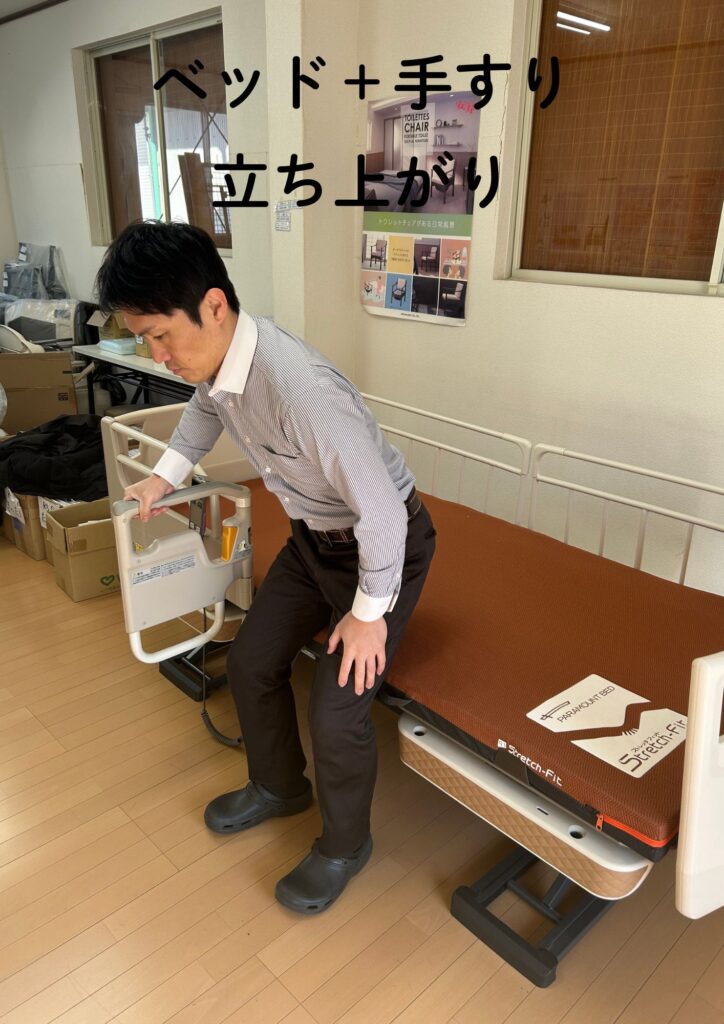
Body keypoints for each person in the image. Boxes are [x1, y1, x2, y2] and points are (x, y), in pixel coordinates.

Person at [95, 220, 436, 914]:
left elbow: (384, 514)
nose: (157, 355)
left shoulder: (301, 391)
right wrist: (163, 476)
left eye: (161, 335)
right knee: (251, 661)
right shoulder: (221, 368)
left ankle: (345, 846)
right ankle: (279, 787)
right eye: (144, 340)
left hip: (381, 549)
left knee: (337, 708)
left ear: (213, 305)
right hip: (315, 542)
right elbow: (203, 412)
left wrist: (368, 615)